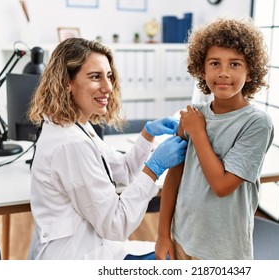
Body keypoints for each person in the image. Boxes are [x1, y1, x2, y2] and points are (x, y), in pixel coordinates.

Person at [27, 38, 187, 260]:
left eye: (109, 76)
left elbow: (123, 171)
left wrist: (147, 135)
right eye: (95, 77)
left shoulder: (76, 125)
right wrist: (154, 167)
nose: (108, 87)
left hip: (95, 247)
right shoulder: (71, 144)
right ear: (66, 82)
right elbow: (116, 224)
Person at [155, 17, 274, 260]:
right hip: (182, 236)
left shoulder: (256, 123)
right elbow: (174, 175)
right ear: (202, 69)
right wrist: (163, 234)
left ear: (250, 72)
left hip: (223, 250)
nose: (223, 73)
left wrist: (198, 132)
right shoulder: (193, 115)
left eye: (235, 64)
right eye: (215, 63)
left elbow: (221, 186)